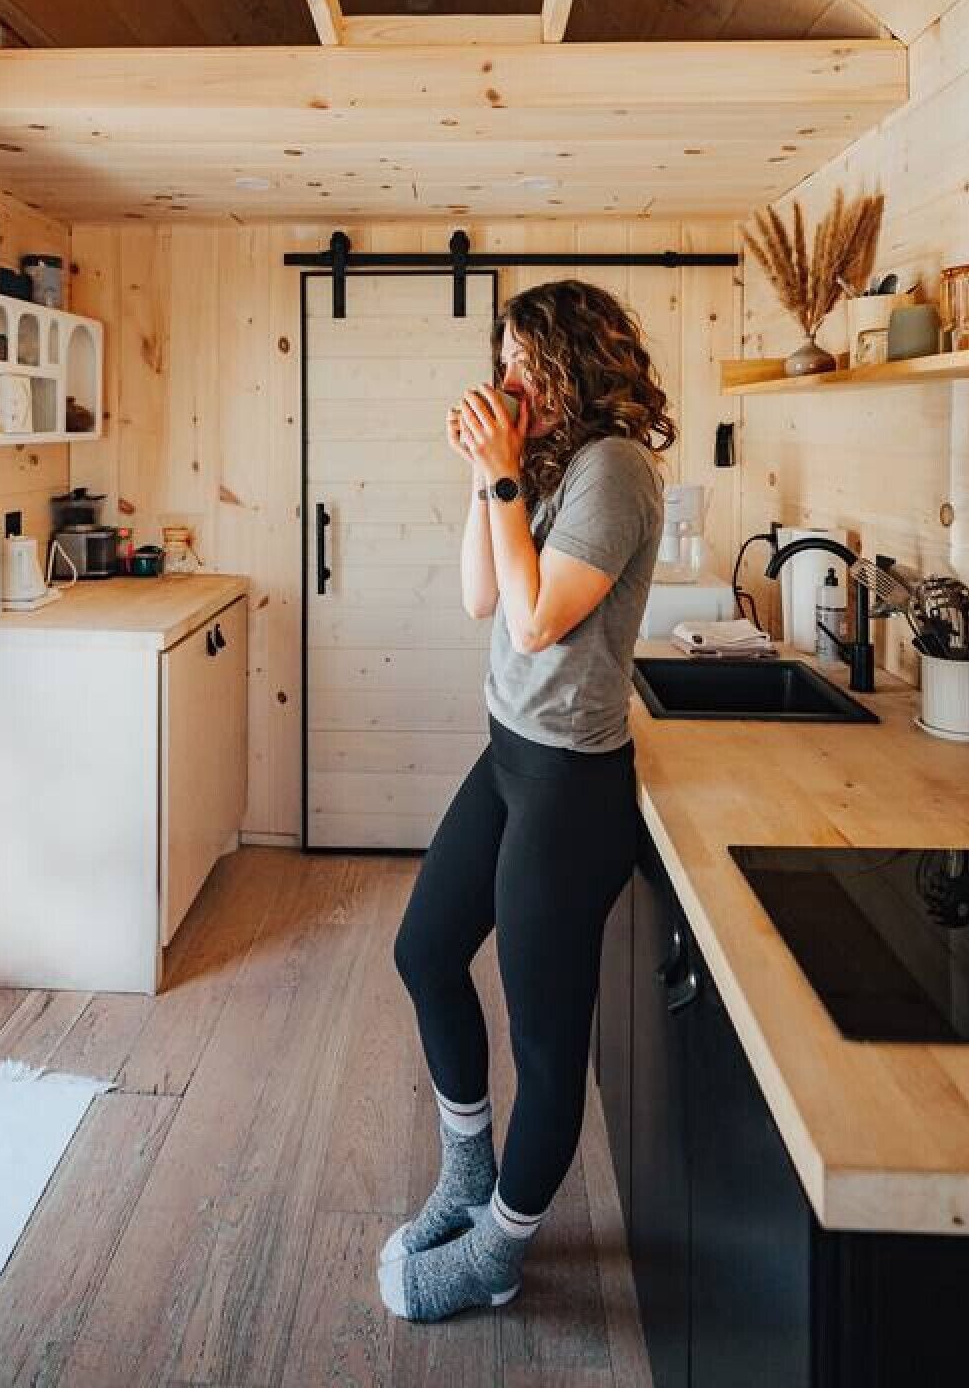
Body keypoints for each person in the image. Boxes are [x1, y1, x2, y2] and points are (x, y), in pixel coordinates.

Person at [378, 277, 671, 1323]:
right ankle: (466, 1178)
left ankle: (498, 1249)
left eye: (520, 357)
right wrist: (482, 477)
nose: (503, 375)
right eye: (498, 354)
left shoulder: (616, 469)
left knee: (546, 1041)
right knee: (422, 952)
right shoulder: (543, 467)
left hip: (568, 786)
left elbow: (541, 622)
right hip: (507, 753)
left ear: (569, 364)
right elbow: (478, 601)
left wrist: (504, 480)